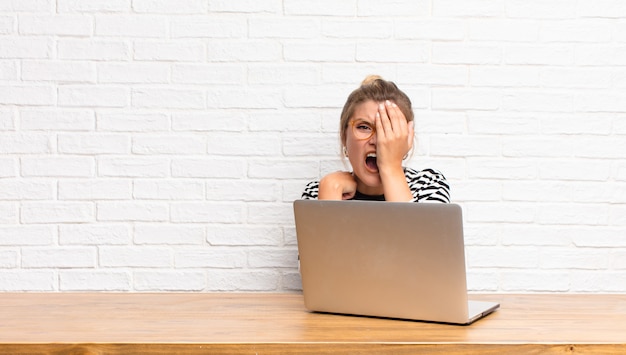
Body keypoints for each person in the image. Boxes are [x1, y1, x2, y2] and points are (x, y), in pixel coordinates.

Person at [301, 75, 450, 203]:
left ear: (407, 139)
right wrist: (329, 193)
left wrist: (391, 168)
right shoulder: (318, 191)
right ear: (343, 136)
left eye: (389, 129)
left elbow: (418, 237)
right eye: (364, 127)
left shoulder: (428, 185)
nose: (378, 141)